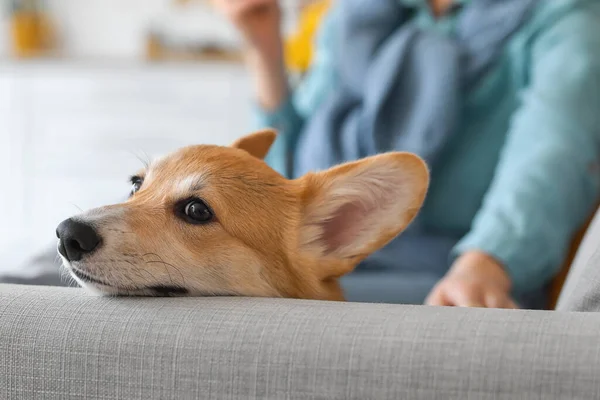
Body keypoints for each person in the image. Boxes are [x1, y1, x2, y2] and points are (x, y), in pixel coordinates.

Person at [213, 0, 600, 309]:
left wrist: (485, 266)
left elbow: (553, 153)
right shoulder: (355, 15)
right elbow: (287, 182)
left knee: (226, 305)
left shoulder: (565, 17)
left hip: (448, 272)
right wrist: (262, 43)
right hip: (323, 256)